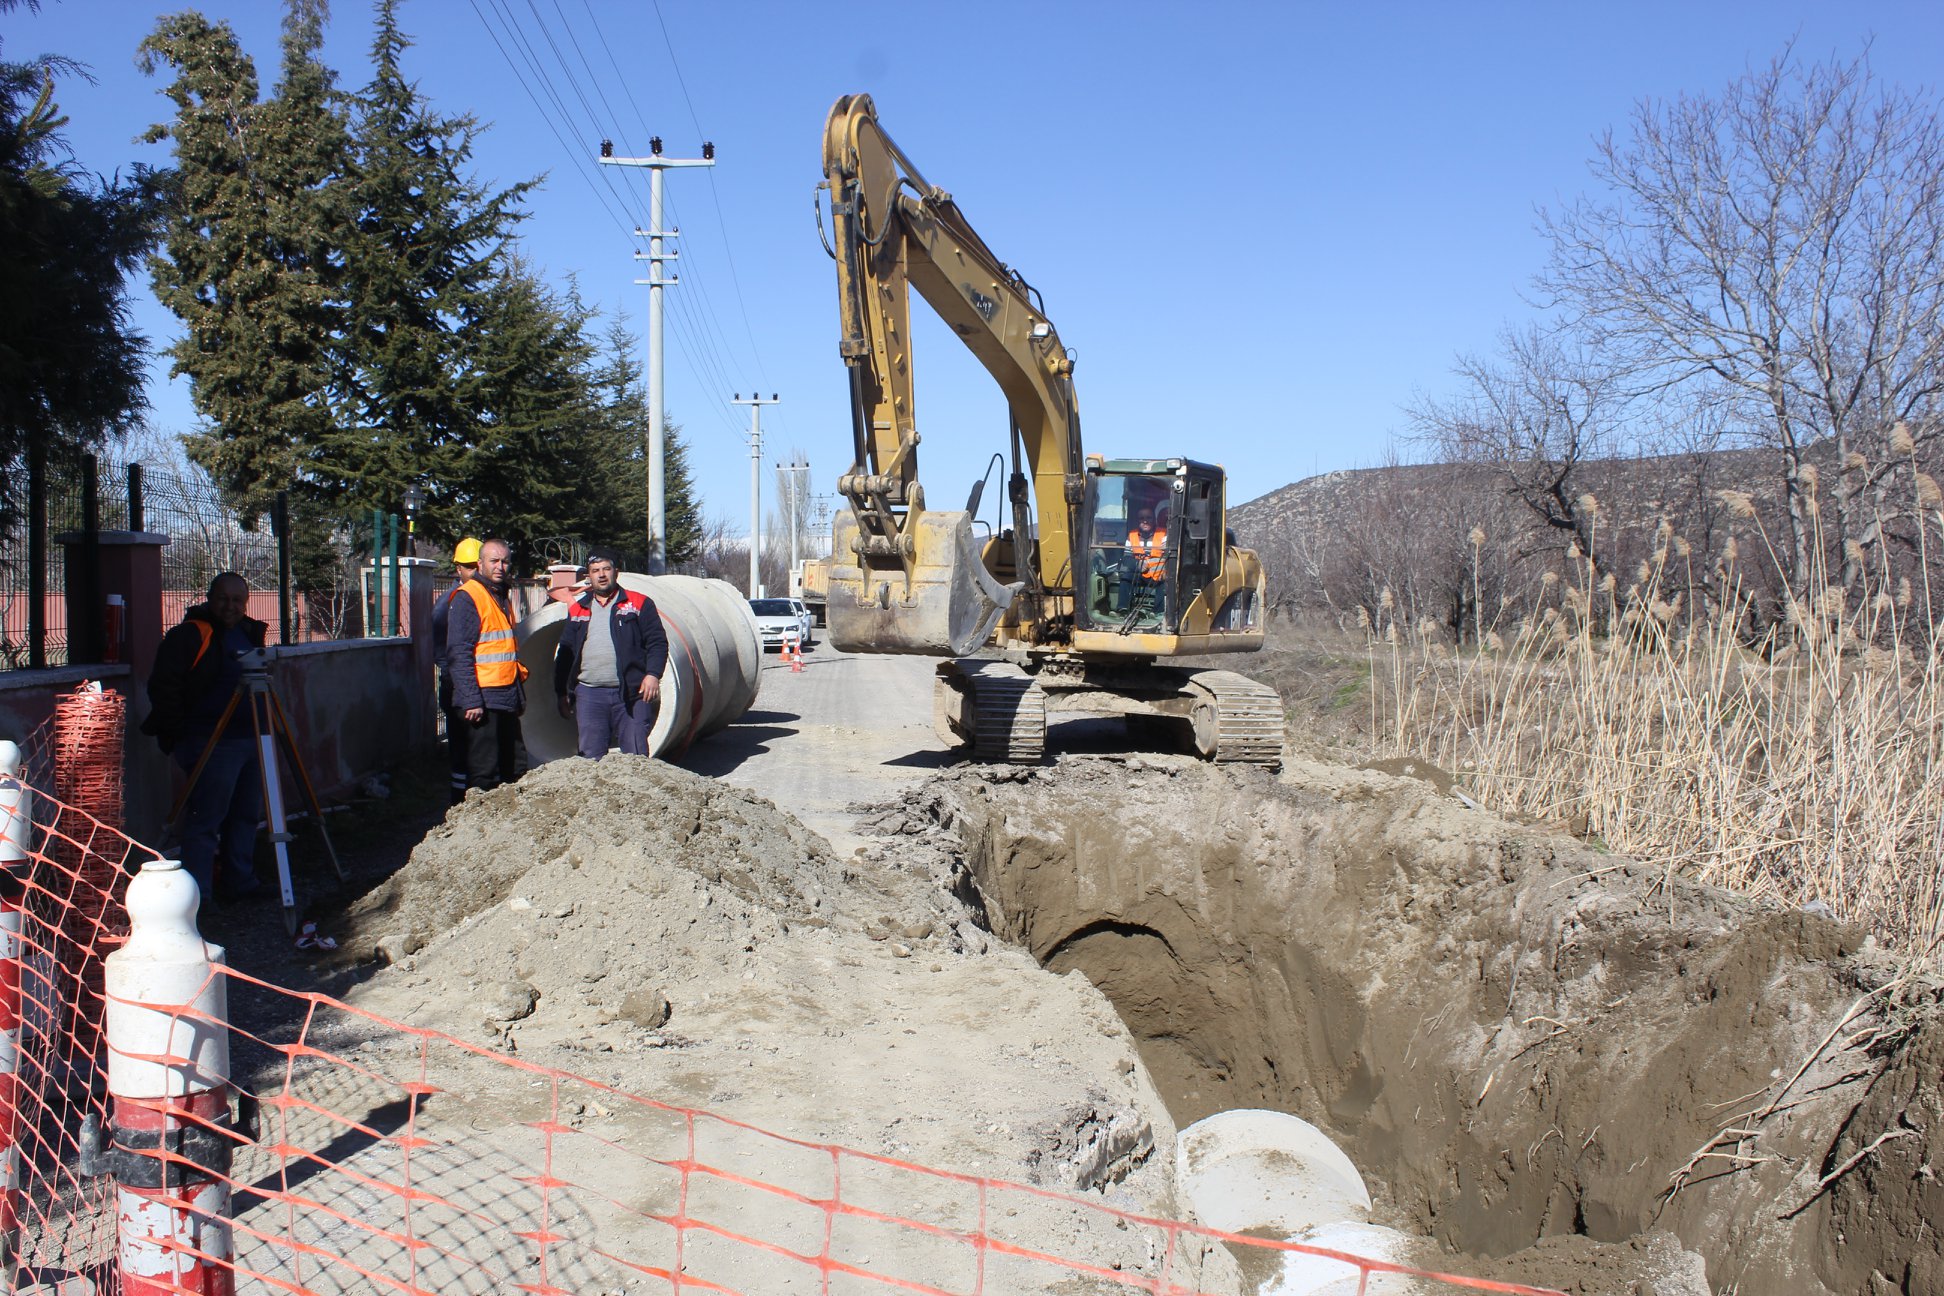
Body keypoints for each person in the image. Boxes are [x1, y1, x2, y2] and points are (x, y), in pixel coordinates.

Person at [140, 572, 266, 902]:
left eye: (237, 600)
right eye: (223, 598)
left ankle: (241, 881)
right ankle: (198, 895)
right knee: (207, 818)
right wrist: (179, 736)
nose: (230, 606)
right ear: (209, 598)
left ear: (246, 603)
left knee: (246, 814)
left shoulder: (249, 633)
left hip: (249, 738)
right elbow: (163, 687)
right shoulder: (188, 636)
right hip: (209, 741)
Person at [554, 548, 667, 759]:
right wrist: (562, 691)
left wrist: (652, 675)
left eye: (606, 568)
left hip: (632, 694)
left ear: (617, 572)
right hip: (590, 695)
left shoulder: (639, 603)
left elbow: (657, 642)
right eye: (595, 570)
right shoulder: (579, 609)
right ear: (589, 575)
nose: (602, 574)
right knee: (590, 758)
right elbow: (566, 653)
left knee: (636, 758)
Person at [446, 538, 529, 794]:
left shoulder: (500, 595)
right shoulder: (469, 597)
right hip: (483, 699)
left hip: (504, 695)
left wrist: (516, 695)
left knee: (514, 767)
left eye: (505, 561)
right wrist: (471, 699)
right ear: (480, 564)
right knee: (484, 773)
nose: (500, 567)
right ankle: (477, 826)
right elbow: (459, 652)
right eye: (494, 561)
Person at [430, 537, 482, 804]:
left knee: (480, 749)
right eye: (469, 566)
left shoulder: (485, 597)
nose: (474, 571)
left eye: (477, 565)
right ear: (458, 569)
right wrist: (459, 684)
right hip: (458, 687)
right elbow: (444, 653)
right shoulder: (448, 604)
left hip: (479, 684)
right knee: (461, 749)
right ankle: (459, 801)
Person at [1124, 506, 1169, 614]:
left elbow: (1169, 557)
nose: (1145, 521)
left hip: (1158, 574)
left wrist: (1165, 571)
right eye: (1141, 518)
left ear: (1154, 520)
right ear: (1137, 520)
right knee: (1125, 577)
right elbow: (1126, 558)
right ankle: (1122, 608)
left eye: (1148, 518)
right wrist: (1137, 564)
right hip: (1138, 573)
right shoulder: (1132, 535)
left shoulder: (1164, 534)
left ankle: (1158, 613)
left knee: (1165, 583)